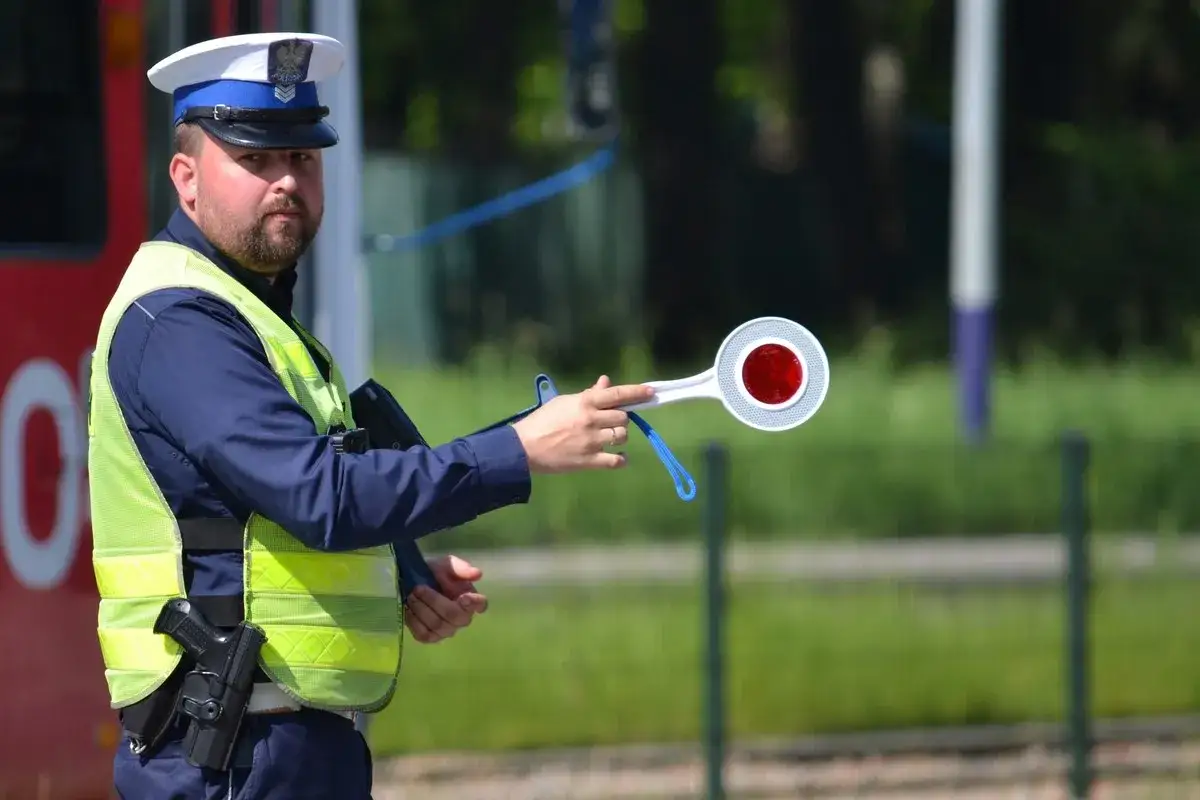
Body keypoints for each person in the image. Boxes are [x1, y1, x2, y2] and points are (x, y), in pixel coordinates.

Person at [89, 31, 654, 800]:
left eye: (304, 159)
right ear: (186, 178)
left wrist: (396, 573)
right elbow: (319, 495)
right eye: (255, 161)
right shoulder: (181, 319)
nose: (286, 181)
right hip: (225, 758)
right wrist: (518, 448)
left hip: (278, 750)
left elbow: (259, 532)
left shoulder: (252, 315)